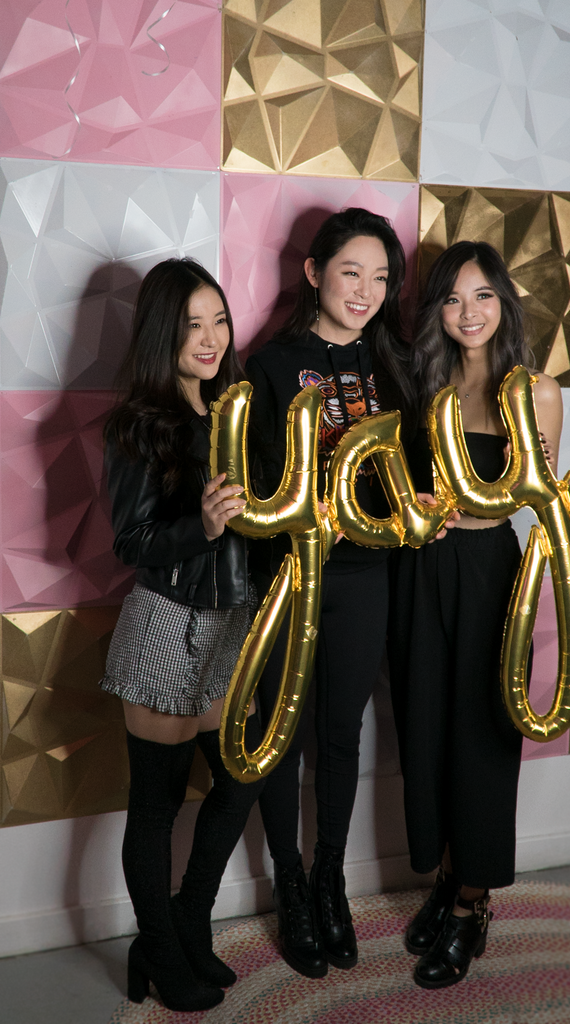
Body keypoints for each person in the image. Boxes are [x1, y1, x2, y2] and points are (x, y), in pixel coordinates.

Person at [245, 208, 416, 978]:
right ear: (313, 272)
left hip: (364, 578)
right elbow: (249, 486)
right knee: (280, 732)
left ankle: (328, 880)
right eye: (351, 271)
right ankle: (289, 884)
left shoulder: (395, 363)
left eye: (381, 277)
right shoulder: (270, 365)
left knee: (340, 734)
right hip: (289, 573)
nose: (366, 291)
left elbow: (416, 472)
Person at [388, 241, 563, 989]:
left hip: (492, 576)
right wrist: (418, 509)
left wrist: (481, 511)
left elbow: (541, 497)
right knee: (426, 729)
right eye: (454, 298)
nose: (468, 312)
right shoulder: (422, 382)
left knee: (483, 735)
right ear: (437, 310)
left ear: (503, 304)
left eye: (482, 296)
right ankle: (444, 878)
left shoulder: (534, 390)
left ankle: (470, 906)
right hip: (418, 574)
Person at [101, 258, 265, 1012]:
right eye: (193, 323)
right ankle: (161, 952)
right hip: (169, 621)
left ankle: (187, 921)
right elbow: (131, 540)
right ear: (164, 332)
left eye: (219, 320)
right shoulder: (141, 423)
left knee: (241, 777)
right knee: (157, 804)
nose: (210, 337)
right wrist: (198, 526)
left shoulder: (237, 409)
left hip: (233, 623)